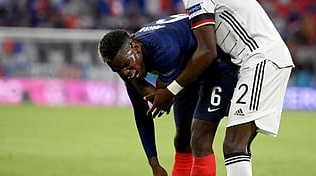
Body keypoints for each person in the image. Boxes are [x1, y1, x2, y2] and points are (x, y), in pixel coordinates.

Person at [145, 0, 294, 176]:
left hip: (261, 59)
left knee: (234, 144)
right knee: (229, 143)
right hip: (254, 62)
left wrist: (170, 91)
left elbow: (207, 51)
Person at [98, 14, 237, 176]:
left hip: (216, 66)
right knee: (182, 141)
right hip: (185, 73)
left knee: (200, 136)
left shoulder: (164, 49)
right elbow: (142, 114)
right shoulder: (125, 63)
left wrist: (148, 90)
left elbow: (163, 98)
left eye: (126, 65)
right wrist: (154, 164)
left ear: (135, 47)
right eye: (118, 71)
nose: (126, 72)